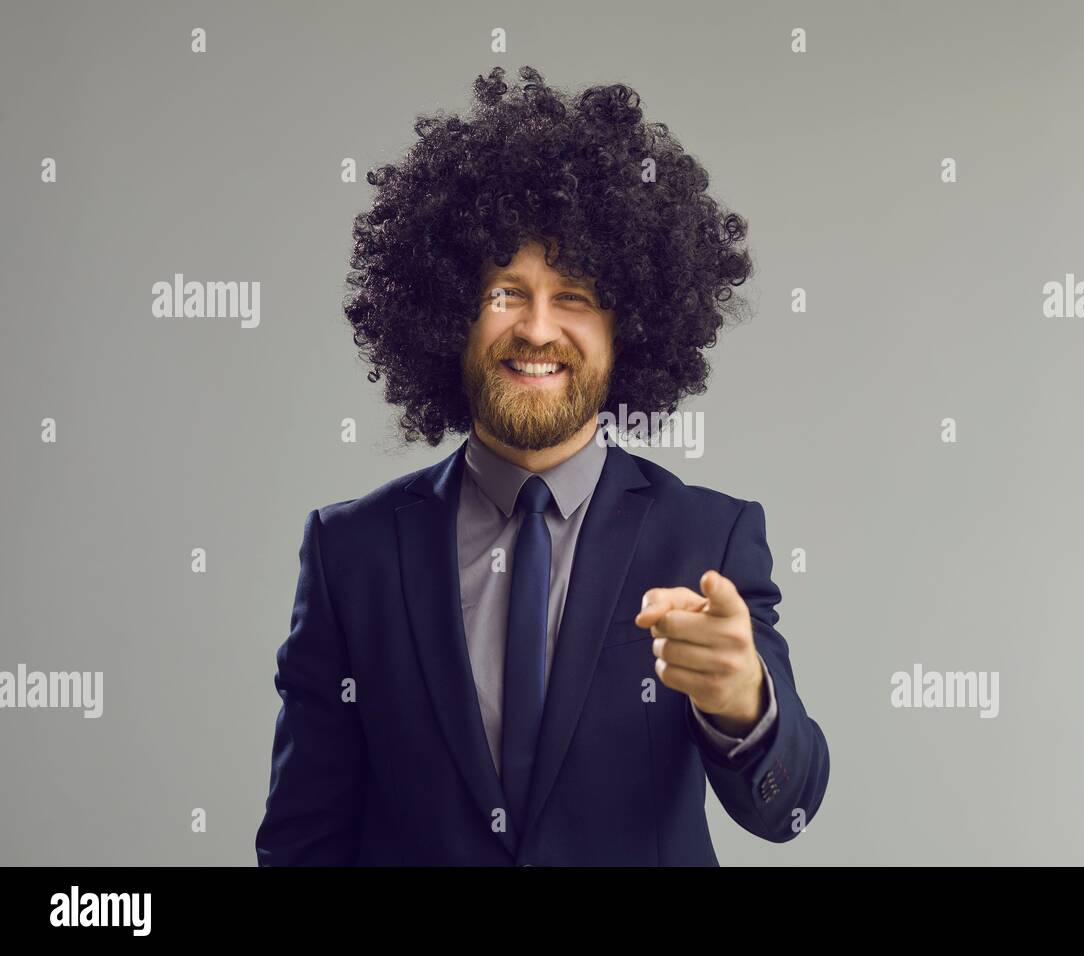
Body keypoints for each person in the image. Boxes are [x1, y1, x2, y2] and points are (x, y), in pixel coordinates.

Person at [254, 65, 829, 865]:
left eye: (576, 297)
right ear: (445, 310)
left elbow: (790, 807)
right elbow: (303, 841)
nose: (536, 329)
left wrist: (743, 703)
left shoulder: (710, 538)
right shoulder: (349, 553)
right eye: (503, 293)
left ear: (629, 326)